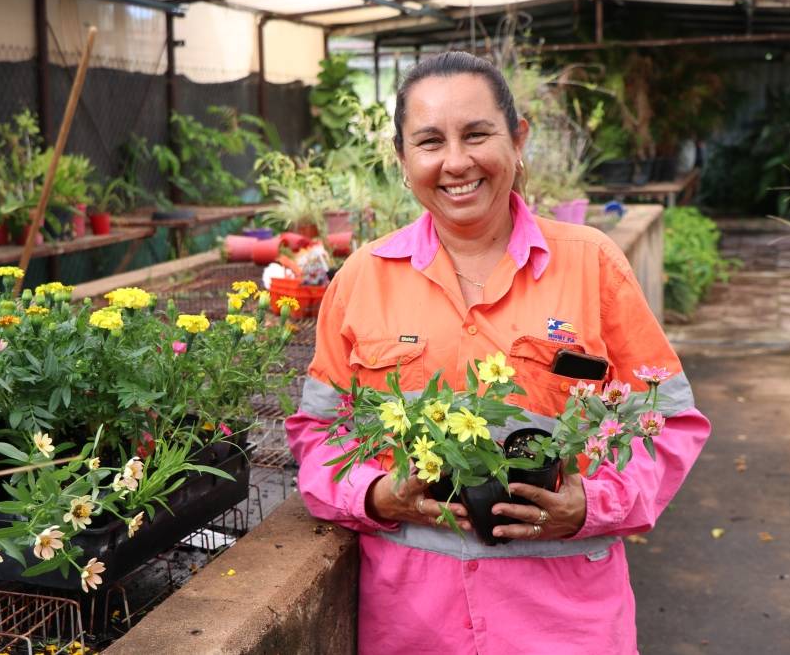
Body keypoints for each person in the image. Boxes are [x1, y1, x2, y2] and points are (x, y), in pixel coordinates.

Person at [285, 51, 711, 654]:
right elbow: (316, 433)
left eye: (477, 134)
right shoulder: (362, 279)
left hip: (568, 623)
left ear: (518, 139)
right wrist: (377, 496)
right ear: (403, 160)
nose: (456, 162)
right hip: (413, 625)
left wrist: (592, 502)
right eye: (430, 141)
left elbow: (669, 419)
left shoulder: (591, 265)